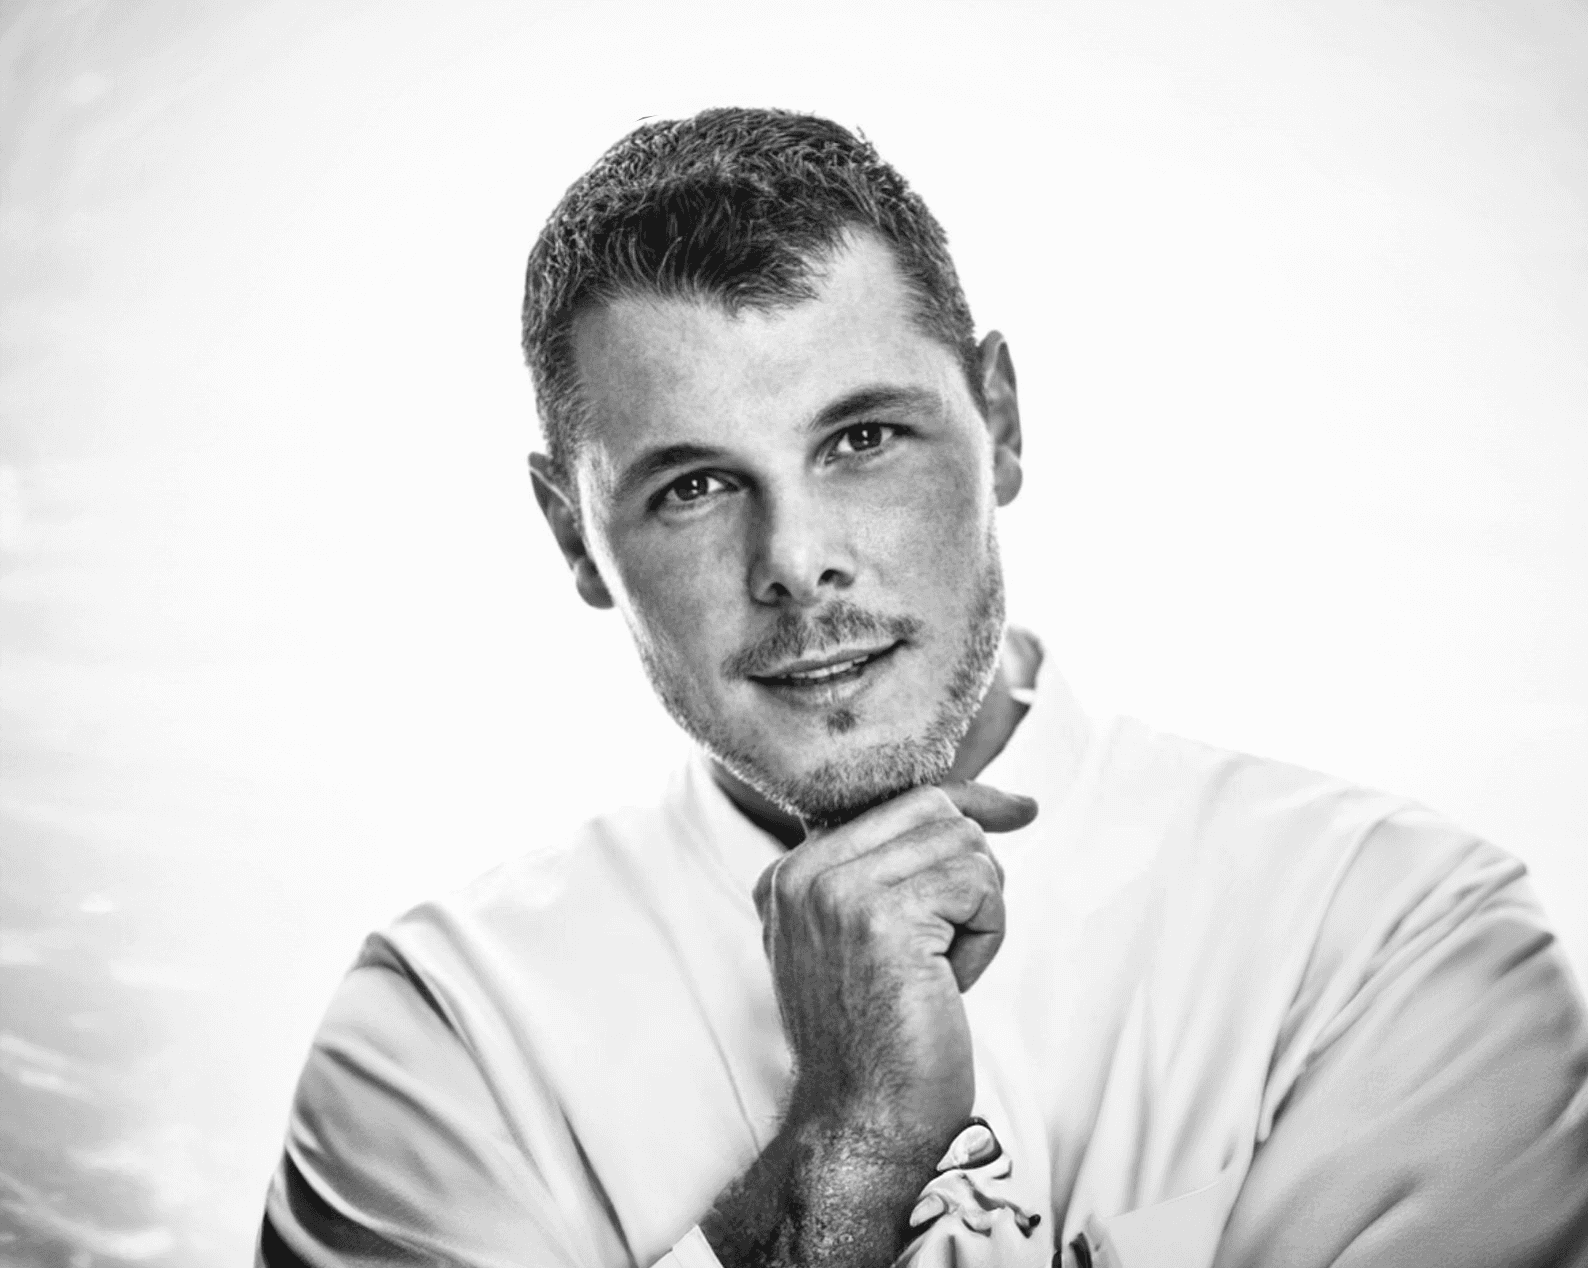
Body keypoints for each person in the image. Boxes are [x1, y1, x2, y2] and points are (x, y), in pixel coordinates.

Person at [258, 108, 1588, 1268]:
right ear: (571, 535)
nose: (796, 564)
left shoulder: (1393, 941)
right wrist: (841, 1162)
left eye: (863, 438)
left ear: (1000, 420)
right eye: (696, 485)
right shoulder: (442, 1039)